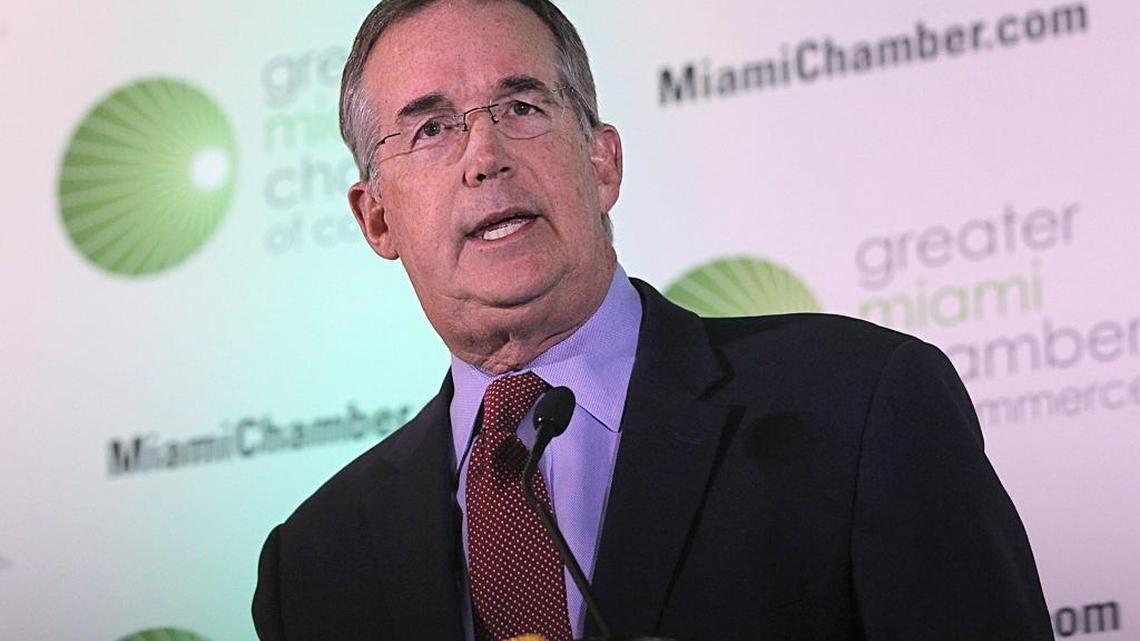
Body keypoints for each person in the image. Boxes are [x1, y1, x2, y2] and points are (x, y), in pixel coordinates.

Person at [253, 1, 1053, 639]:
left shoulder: (857, 406)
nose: (485, 155)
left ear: (602, 162)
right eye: (431, 128)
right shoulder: (316, 561)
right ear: (377, 218)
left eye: (522, 105)